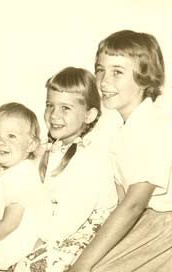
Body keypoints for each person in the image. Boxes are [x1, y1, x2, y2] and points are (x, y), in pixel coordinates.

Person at [67, 30, 172, 272]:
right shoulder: (115, 125)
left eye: (117, 72)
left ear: (145, 79)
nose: (103, 81)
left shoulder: (156, 127)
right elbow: (121, 199)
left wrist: (82, 265)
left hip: (163, 226)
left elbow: (134, 204)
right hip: (144, 220)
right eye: (100, 69)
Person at [16, 67, 118, 272]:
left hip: (81, 232)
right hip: (56, 222)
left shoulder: (90, 159)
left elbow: (67, 222)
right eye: (50, 105)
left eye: (65, 108)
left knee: (30, 264)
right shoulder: (53, 148)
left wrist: (32, 240)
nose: (54, 114)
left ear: (89, 115)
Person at [0, 102, 52, 272]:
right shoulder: (10, 173)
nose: (0, 142)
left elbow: (10, 223)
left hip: (8, 250)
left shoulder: (21, 175)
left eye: (11, 136)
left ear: (30, 145)